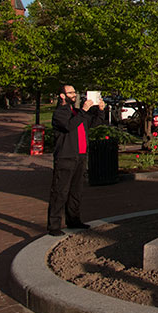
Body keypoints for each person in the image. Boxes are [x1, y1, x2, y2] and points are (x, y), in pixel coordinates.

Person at [47, 85, 105, 236]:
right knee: (60, 192)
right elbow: (69, 126)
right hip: (66, 157)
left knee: (76, 191)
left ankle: (73, 220)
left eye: (74, 92)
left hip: (80, 156)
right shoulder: (60, 113)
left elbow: (94, 123)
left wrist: (100, 110)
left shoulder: (77, 112)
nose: (74, 95)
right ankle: (54, 225)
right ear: (62, 95)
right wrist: (84, 111)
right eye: (70, 93)